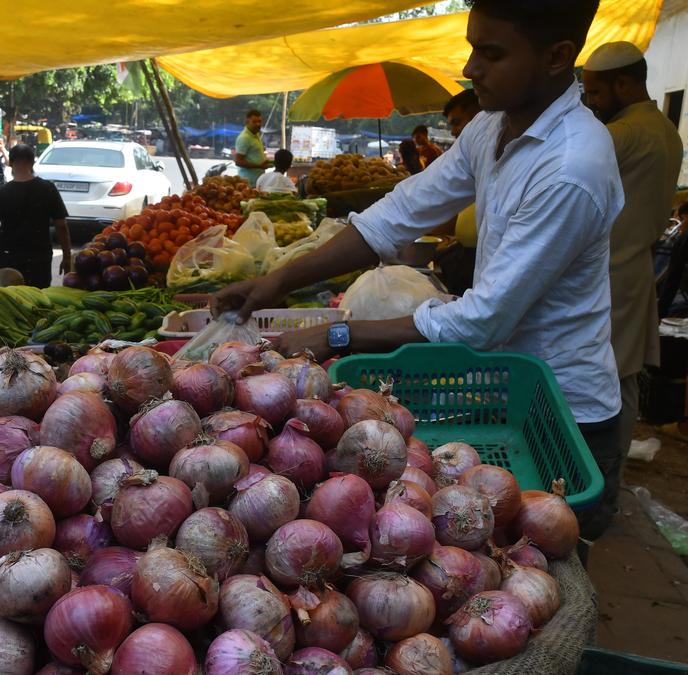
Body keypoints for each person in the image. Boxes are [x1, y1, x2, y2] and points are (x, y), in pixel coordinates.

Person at [213, 0, 624, 541]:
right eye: (473, 48)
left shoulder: (571, 166)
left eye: (491, 53)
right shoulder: (491, 128)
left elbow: (482, 320)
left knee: (545, 560)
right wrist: (281, 279)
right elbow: (398, 214)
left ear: (556, 57)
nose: (471, 68)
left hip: (562, 415)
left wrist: (338, 334)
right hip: (502, 391)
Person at [582, 41, 684, 462]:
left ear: (623, 85)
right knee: (621, 375)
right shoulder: (666, 131)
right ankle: (612, 468)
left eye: (595, 92)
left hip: (607, 274)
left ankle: (604, 473)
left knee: (605, 377)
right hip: (634, 268)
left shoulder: (620, 135)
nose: (590, 102)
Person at [0, 144, 70, 288]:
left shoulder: (1, 192)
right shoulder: (48, 188)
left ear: (10, 163)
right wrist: (66, 257)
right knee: (37, 298)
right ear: (32, 162)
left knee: (6, 299)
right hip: (39, 259)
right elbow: (61, 225)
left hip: (7, 257)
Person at [433, 89, 484, 295]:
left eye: (457, 123)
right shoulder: (472, 161)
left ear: (479, 116)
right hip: (466, 255)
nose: (453, 132)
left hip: (482, 262)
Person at [233, 109, 272, 185]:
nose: (258, 124)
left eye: (259, 121)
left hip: (257, 181)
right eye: (254, 122)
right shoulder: (244, 138)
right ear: (247, 122)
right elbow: (238, 161)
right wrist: (259, 166)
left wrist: (264, 161)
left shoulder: (256, 134)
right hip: (248, 182)